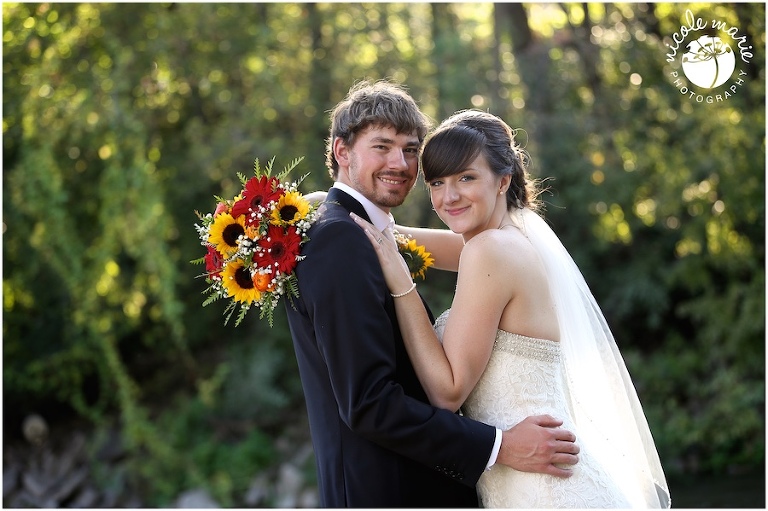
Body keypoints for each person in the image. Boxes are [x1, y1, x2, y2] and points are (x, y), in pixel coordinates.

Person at [351, 109, 671, 508]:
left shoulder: (490, 249)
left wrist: (402, 285)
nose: (449, 197)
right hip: (539, 478)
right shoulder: (509, 239)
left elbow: (447, 393)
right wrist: (335, 204)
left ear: (503, 180)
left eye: (466, 178)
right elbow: (398, 237)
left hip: (543, 490)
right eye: (437, 182)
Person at [286, 81, 580, 508]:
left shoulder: (482, 246)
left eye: (410, 150)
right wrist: (500, 447)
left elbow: (417, 240)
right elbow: (369, 404)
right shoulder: (341, 239)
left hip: (515, 475)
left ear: (503, 181)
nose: (400, 163)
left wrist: (332, 209)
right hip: (392, 491)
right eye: (383, 147)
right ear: (342, 152)